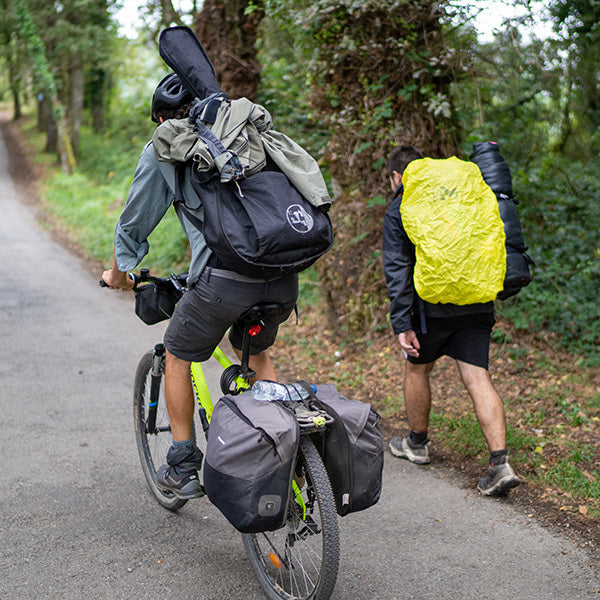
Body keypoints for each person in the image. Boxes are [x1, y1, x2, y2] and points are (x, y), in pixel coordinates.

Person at [102, 74, 299, 499]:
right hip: (283, 273)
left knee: (177, 350)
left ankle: (182, 462)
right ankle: (287, 449)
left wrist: (119, 274)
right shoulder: (244, 132)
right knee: (255, 350)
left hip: (224, 279)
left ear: (160, 118)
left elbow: (134, 222)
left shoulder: (165, 147)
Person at [382, 145, 520, 496]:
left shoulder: (401, 205)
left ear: (397, 176)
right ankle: (499, 464)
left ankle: (417, 443)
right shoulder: (463, 194)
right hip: (476, 300)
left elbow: (397, 269)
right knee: (477, 376)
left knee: (416, 369)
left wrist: (402, 324)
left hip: (432, 308)